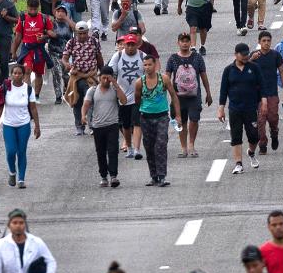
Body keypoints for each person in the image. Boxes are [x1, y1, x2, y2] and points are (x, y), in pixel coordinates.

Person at [218, 42, 266, 175]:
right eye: (243, 55)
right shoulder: (228, 70)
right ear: (236, 54)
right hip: (234, 108)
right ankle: (238, 163)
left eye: (247, 54)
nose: (245, 57)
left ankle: (251, 152)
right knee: (236, 136)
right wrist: (221, 108)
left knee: (254, 136)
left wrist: (264, 101)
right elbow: (223, 90)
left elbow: (262, 85)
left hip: (250, 108)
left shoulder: (254, 68)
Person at [167, 32, 212, 159]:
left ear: (190, 42)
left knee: (194, 119)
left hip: (194, 96)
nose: (185, 43)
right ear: (178, 43)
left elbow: (203, 76)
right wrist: (168, 94)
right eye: (182, 41)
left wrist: (208, 93)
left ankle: (191, 144)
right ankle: (183, 147)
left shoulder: (197, 58)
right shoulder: (172, 59)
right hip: (178, 97)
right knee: (181, 121)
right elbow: (166, 77)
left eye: (187, 41)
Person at [83, 66, 129, 187]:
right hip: (97, 126)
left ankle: (113, 176)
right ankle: (103, 176)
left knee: (113, 151)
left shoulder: (115, 89)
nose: (105, 81)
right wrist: (83, 116)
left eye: (108, 78)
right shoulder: (92, 90)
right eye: (103, 78)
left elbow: (124, 101)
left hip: (112, 125)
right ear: (99, 77)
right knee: (101, 152)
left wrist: (115, 84)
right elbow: (86, 104)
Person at [134, 52, 173, 186]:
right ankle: (154, 176)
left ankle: (162, 176)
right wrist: (141, 114)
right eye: (145, 65)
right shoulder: (140, 82)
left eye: (150, 64)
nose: (147, 67)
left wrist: (177, 115)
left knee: (161, 144)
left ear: (155, 65)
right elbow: (137, 100)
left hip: (162, 116)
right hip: (146, 118)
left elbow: (174, 96)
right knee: (149, 147)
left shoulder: (164, 79)